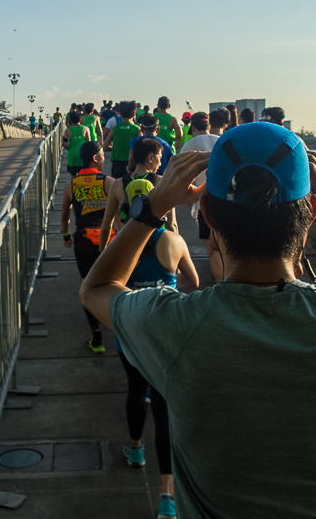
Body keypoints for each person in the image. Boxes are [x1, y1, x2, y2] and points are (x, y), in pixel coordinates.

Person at [80, 123, 316, 519]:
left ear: (207, 215)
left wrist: (152, 208)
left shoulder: (175, 323)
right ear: (311, 212)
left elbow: (97, 288)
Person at [113, 174, 199, 519]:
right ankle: (167, 495)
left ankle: (135, 449)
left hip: (132, 331)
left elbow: (104, 284)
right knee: (164, 408)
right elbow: (193, 282)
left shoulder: (122, 243)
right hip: (167, 334)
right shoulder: (173, 241)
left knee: (136, 391)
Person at [61, 141, 115, 354]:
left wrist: (66, 235)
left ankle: (97, 338)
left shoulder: (71, 185)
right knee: (113, 283)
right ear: (94, 158)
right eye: (102, 155)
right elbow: (119, 213)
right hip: (108, 240)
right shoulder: (108, 182)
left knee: (88, 287)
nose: (103, 158)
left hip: (83, 241)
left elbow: (65, 216)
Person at [101, 137, 177, 248]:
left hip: (129, 246)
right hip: (158, 246)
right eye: (159, 158)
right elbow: (171, 224)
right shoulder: (163, 183)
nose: (160, 164)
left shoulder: (117, 185)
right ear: (150, 157)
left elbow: (106, 226)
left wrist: (101, 256)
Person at [179, 110, 225, 281]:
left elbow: (181, 174)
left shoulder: (190, 145)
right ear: (209, 125)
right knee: (224, 244)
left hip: (203, 201)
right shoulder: (221, 141)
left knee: (210, 247)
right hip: (226, 200)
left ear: (192, 126)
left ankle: (219, 282)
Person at [104, 101, 140, 179]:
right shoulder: (137, 129)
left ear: (121, 114)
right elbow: (140, 148)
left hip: (117, 164)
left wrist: (114, 148)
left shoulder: (115, 129)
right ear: (134, 114)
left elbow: (104, 147)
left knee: (117, 188)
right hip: (132, 164)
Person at [63, 111, 92, 176]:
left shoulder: (67, 130)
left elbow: (65, 144)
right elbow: (89, 144)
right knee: (82, 176)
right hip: (82, 155)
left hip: (72, 155)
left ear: (70, 120)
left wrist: (69, 149)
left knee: (73, 177)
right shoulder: (85, 129)